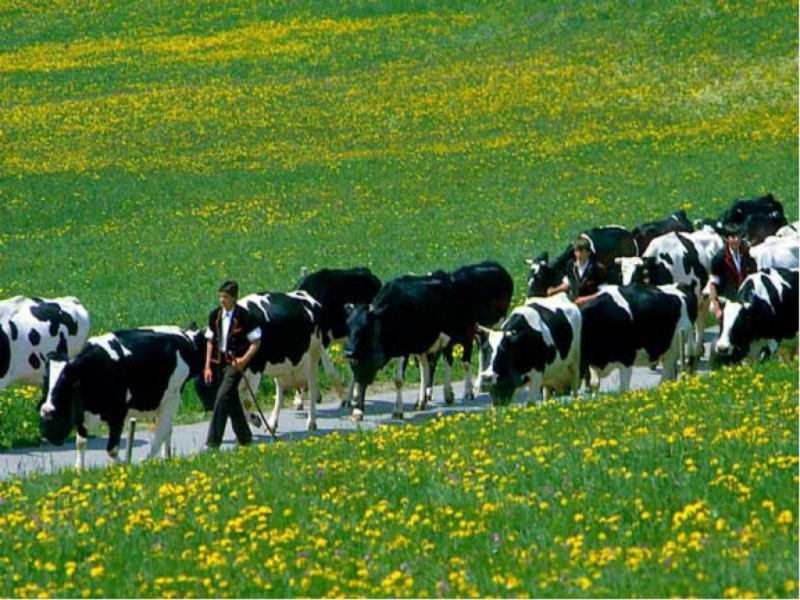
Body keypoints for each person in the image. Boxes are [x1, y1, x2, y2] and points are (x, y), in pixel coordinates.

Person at [204, 280, 262, 450]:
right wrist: (207, 366)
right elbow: (209, 341)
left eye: (226, 297)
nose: (222, 300)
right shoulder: (214, 316)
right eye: (220, 297)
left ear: (234, 298)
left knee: (222, 398)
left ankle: (213, 442)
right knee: (232, 400)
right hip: (217, 362)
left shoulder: (245, 317)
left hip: (234, 365)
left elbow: (256, 342)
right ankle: (245, 438)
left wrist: (244, 360)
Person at [708, 223, 757, 321]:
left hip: (744, 302)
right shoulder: (719, 258)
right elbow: (713, 284)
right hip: (727, 303)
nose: (736, 240)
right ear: (727, 239)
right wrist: (717, 308)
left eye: (738, 236)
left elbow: (753, 277)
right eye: (733, 237)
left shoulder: (746, 255)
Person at [547, 236, 607, 307]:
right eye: (576, 251)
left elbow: (603, 293)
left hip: (592, 306)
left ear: (588, 252)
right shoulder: (571, 265)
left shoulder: (597, 269)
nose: (578, 254)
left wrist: (585, 300)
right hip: (573, 305)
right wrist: (555, 290)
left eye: (581, 251)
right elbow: (568, 283)